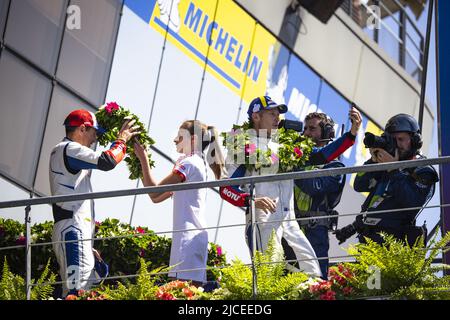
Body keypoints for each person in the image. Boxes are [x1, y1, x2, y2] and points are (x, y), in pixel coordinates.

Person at [220, 96, 362, 278]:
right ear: (256, 117)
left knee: (315, 275)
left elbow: (321, 156)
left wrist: (352, 134)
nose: (277, 118)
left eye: (278, 114)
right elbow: (226, 188)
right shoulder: (242, 144)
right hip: (262, 222)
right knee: (269, 278)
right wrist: (251, 200)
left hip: (290, 222)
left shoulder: (286, 144)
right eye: (271, 114)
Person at [50, 109, 140, 297]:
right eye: (95, 133)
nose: (95, 140)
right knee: (76, 293)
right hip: (72, 231)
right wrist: (122, 140)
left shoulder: (68, 151)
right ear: (82, 129)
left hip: (75, 231)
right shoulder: (68, 148)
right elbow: (107, 160)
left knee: (86, 286)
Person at [134, 120, 225, 287]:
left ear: (193, 140)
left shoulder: (189, 163)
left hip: (187, 239)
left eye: (180, 136)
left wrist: (143, 159)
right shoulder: (198, 162)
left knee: (180, 293)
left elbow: (154, 192)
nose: (175, 140)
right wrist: (140, 162)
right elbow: (155, 197)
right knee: (188, 293)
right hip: (192, 238)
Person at [334, 114, 439, 246]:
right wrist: (373, 161)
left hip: (394, 244)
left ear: (415, 140)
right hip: (368, 239)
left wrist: (394, 170)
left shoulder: (423, 170)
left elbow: (412, 202)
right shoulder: (386, 163)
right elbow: (359, 185)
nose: (397, 144)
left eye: (401, 139)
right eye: (393, 140)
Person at [284, 112, 347, 278]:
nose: (306, 133)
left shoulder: (335, 165)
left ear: (326, 133)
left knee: (314, 283)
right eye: (305, 129)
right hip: (289, 229)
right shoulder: (296, 158)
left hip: (315, 232)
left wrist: (293, 165)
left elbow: (313, 187)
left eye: (312, 129)